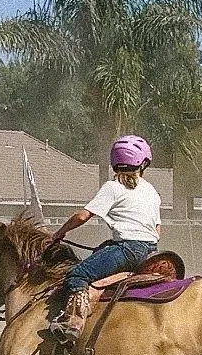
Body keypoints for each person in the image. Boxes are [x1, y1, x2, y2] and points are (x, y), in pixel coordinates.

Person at [46, 135, 163, 339]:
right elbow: (158, 229)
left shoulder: (113, 187)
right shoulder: (151, 191)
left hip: (127, 251)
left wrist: (59, 233)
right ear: (143, 163)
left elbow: (82, 216)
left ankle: (73, 323)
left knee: (78, 275)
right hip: (152, 252)